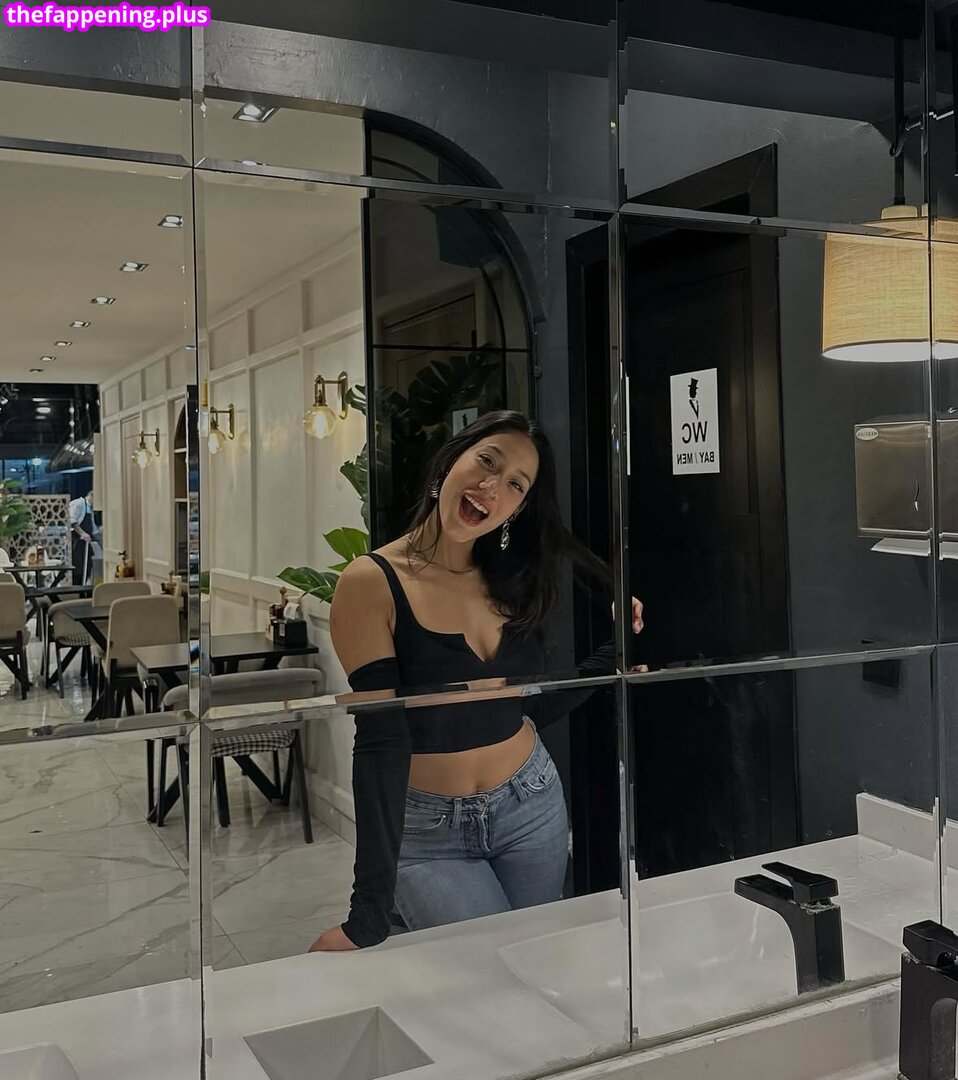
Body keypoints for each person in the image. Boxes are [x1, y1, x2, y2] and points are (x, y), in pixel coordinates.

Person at [309, 411, 643, 952]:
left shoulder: (508, 579)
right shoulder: (373, 582)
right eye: (487, 461)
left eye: (516, 485)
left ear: (519, 507)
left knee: (537, 957)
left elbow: (516, 709)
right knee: (491, 967)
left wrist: (616, 651)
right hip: (428, 830)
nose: (493, 487)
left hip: (530, 801)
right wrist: (365, 916)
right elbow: (380, 742)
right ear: (450, 461)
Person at [68, 490, 96, 584]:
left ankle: (83, 587)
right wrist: (82, 533)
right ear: (92, 496)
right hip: (75, 541)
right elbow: (72, 521)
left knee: (88, 567)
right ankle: (77, 589)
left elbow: (93, 528)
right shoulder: (79, 503)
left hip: (85, 543)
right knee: (78, 569)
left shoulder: (90, 508)